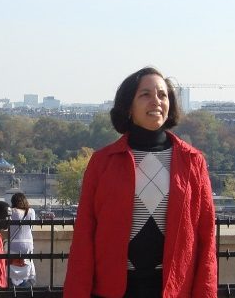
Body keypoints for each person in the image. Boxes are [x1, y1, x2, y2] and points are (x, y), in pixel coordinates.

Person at [65, 67, 217, 298]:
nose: (156, 101)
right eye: (145, 94)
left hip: (172, 288)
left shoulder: (193, 162)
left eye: (162, 95)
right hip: (112, 289)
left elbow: (206, 238)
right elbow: (84, 235)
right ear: (128, 107)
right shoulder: (102, 162)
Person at [8, 192, 37, 287]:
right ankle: (25, 284)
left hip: (14, 244)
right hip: (28, 244)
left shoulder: (11, 211)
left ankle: (14, 284)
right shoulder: (31, 211)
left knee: (12, 266)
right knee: (26, 266)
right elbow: (31, 227)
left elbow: (6, 227)